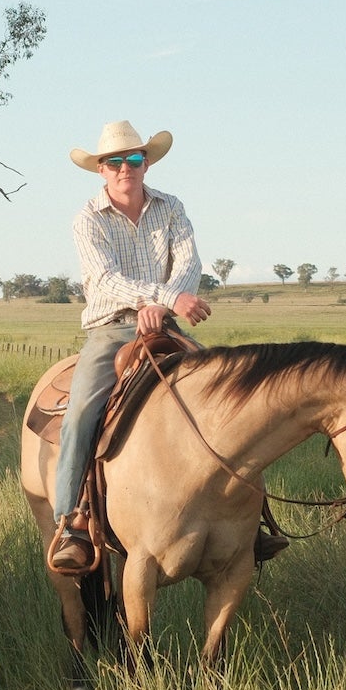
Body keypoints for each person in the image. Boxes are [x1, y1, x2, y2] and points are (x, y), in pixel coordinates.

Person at [46, 120, 214, 577]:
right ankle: (73, 519)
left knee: (224, 396)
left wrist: (165, 305)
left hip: (165, 325)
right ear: (101, 169)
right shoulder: (88, 218)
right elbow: (104, 280)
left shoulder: (171, 207)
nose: (126, 169)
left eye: (134, 159)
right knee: (82, 410)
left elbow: (188, 262)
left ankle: (246, 518)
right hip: (112, 328)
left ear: (146, 163)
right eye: (115, 162)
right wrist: (157, 298)